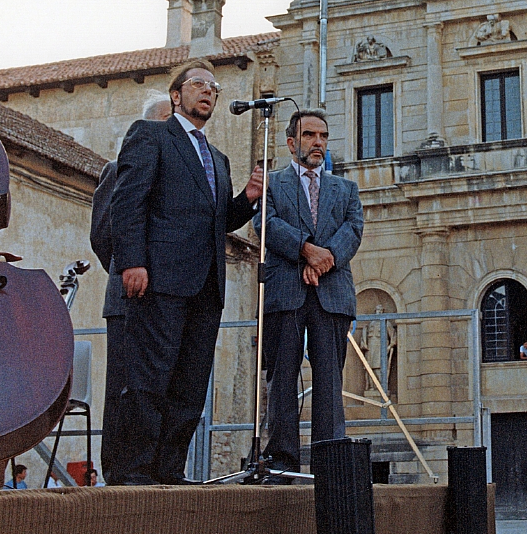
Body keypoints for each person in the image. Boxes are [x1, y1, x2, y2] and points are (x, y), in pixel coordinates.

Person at [110, 60, 263, 485]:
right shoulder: (151, 135)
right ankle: (135, 471)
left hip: (206, 285)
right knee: (149, 377)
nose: (208, 92)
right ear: (176, 95)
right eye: (198, 84)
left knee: (190, 382)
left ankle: (170, 468)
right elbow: (128, 202)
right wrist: (132, 261)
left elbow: (218, 220)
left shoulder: (218, 158)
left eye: (214, 86)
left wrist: (247, 198)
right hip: (158, 279)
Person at [257, 110, 363, 474]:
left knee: (331, 379)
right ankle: (282, 460)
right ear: (291, 142)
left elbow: (354, 228)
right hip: (285, 293)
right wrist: (305, 250)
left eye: (323, 136)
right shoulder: (272, 184)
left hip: (331, 294)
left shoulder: (345, 189)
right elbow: (265, 224)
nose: (317, 142)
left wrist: (325, 259)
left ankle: (329, 459)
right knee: (282, 377)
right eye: (309, 135)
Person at [90, 93, 173, 485]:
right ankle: (119, 474)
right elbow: (104, 233)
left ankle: (155, 470)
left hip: (166, 306)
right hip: (128, 301)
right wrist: (129, 272)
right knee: (123, 393)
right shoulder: (118, 168)